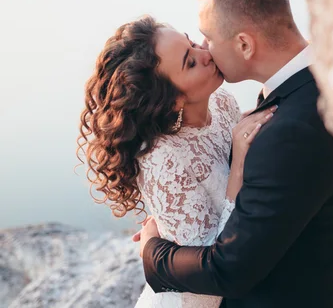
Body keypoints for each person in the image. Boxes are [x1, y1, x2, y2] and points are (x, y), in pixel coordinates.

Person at [137, 0, 333, 308]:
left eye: (209, 36)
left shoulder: (288, 133)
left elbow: (230, 270)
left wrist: (153, 251)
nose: (205, 47)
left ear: (244, 45)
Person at [78, 16, 276, 308]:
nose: (205, 54)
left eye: (193, 43)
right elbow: (208, 265)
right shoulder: (162, 158)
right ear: (172, 100)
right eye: (190, 62)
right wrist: (237, 170)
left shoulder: (222, 101)